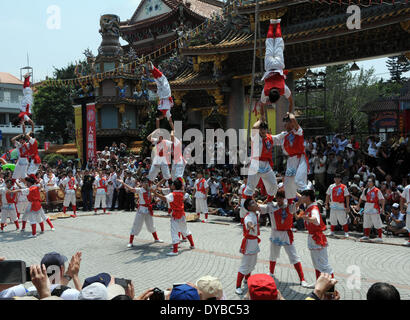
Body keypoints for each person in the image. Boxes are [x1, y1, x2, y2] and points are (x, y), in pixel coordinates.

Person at [258, 191, 310, 287]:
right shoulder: (271, 206)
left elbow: (300, 201)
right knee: (273, 254)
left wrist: (293, 190)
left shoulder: (289, 206)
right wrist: (248, 198)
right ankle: (271, 272)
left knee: (294, 256)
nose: (279, 200)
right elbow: (257, 207)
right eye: (278, 197)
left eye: (281, 198)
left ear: (285, 198)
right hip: (275, 233)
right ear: (276, 197)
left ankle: (302, 279)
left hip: (286, 234)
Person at [242, 116, 278, 210]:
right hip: (255, 163)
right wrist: (261, 120)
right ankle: (248, 205)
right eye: (261, 129)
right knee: (250, 186)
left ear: (267, 130)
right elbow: (254, 127)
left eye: (264, 129)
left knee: (273, 184)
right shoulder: (255, 137)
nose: (263, 130)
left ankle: (269, 201)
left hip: (266, 164)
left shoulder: (270, 138)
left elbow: (281, 137)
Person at [298, 189, 334, 280]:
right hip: (312, 237)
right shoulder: (309, 206)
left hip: (317, 237)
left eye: (303, 196)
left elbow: (315, 220)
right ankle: (319, 285)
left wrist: (308, 218)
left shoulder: (314, 208)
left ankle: (330, 289)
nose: (301, 197)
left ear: (308, 197)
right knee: (316, 264)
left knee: (324, 265)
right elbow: (300, 197)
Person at [154, 178, 195, 256]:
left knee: (174, 232)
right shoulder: (181, 193)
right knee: (185, 229)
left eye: (172, 184)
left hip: (176, 215)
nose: (171, 185)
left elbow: (164, 199)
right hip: (182, 214)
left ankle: (175, 250)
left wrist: (155, 193)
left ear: (175, 186)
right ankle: (192, 244)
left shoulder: (172, 194)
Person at [119, 177, 164, 248]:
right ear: (141, 183)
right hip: (141, 209)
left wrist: (165, 177)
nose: (145, 183)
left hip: (148, 209)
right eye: (143, 182)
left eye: (146, 182)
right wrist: (123, 183)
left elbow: (158, 184)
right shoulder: (140, 190)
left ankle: (156, 239)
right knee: (136, 224)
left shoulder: (150, 189)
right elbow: (131, 189)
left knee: (151, 224)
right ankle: (130, 242)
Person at [272, 113, 308, 202]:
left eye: (287, 122)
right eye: (285, 122)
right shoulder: (283, 135)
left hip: (300, 159)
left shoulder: (298, 131)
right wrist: (261, 137)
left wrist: (290, 114)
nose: (285, 124)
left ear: (292, 123)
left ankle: (310, 201)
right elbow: (272, 138)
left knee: (299, 182)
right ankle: (290, 204)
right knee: (288, 184)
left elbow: (294, 120)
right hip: (291, 160)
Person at [260, 19, 293, 112]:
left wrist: (289, 113)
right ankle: (271, 23)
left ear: (279, 96)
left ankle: (278, 23)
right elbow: (261, 105)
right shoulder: (265, 92)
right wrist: (262, 116)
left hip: (278, 65)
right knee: (269, 44)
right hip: (269, 65)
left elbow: (291, 100)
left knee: (278, 44)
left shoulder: (283, 89)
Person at [236, 199, 262, 295]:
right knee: (245, 264)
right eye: (253, 203)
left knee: (253, 262)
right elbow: (248, 222)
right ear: (249, 207)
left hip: (254, 241)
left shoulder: (256, 213)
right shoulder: (248, 216)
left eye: (255, 202)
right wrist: (250, 226)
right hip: (249, 243)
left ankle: (247, 279)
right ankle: (238, 286)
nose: (256, 203)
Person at [355, 177, 385, 242]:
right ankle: (366, 236)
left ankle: (380, 237)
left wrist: (382, 208)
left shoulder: (377, 190)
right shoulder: (365, 190)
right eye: (368, 181)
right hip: (367, 206)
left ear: (373, 182)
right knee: (366, 222)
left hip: (374, 207)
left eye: (370, 181)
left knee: (376, 222)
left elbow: (382, 199)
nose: (369, 183)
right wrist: (358, 205)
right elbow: (361, 198)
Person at [147, 61, 174, 130]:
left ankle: (152, 68)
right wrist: (157, 129)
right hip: (161, 94)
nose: (162, 118)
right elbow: (157, 119)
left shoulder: (166, 112)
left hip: (166, 94)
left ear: (162, 116)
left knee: (163, 79)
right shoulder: (160, 108)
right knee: (158, 81)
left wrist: (174, 130)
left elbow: (170, 121)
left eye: (161, 117)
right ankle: (152, 69)